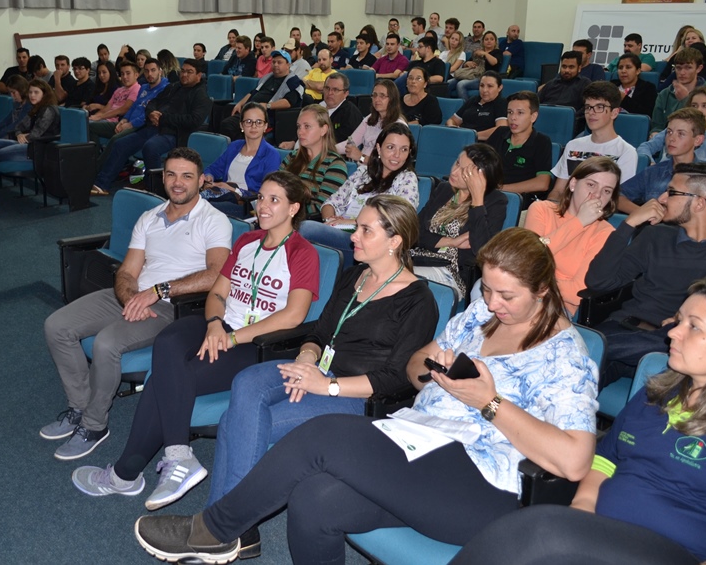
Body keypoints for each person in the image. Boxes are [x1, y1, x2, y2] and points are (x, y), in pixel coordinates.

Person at [133, 227, 599, 565]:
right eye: (488, 289)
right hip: (421, 440)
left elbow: (575, 461)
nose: (492, 302)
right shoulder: (480, 314)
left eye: (507, 296)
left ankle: (216, 529)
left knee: (323, 437)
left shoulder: (566, 358)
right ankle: (222, 531)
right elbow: (416, 365)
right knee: (315, 500)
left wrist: (488, 403)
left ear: (542, 290)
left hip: (482, 483)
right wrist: (435, 370)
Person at [454, 276, 706, 565]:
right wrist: (582, 508)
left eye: (694, 327)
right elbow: (606, 460)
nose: (673, 333)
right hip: (602, 539)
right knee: (544, 533)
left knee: (541, 531)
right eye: (678, 321)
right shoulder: (657, 393)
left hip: (678, 552)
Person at [70, 171, 319, 510]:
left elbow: (293, 315)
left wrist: (232, 338)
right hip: (222, 325)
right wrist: (215, 324)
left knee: (162, 381)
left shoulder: (303, 253)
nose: (263, 205)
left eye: (274, 200)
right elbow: (217, 293)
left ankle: (126, 474)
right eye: (261, 197)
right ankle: (178, 456)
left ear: (293, 208)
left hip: (257, 343)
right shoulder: (247, 241)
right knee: (169, 339)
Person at [206, 195, 439, 508]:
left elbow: (396, 378)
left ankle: (225, 518)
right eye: (356, 228)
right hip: (319, 370)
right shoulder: (354, 276)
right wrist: (307, 359)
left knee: (233, 423)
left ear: (394, 241)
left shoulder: (418, 300)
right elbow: (319, 332)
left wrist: (327, 386)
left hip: (357, 396)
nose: (353, 237)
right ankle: (227, 520)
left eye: (366, 231)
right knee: (246, 381)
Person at [42, 148, 232, 459]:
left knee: (106, 343)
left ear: (201, 181)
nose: (178, 182)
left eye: (187, 176)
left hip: (173, 305)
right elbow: (127, 272)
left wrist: (158, 292)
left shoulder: (214, 221)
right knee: (57, 326)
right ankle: (79, 407)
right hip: (134, 296)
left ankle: (94, 425)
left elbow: (216, 274)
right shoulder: (150, 218)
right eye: (171, 174)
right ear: (163, 178)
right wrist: (131, 299)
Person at [585, 162, 706, 387]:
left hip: (678, 343)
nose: (662, 198)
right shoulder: (655, 235)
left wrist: (683, 320)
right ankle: (591, 347)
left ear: (699, 203)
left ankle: (587, 345)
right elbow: (598, 282)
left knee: (593, 349)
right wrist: (629, 223)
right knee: (568, 385)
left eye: (672, 192)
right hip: (626, 329)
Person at [299, 124, 419, 266]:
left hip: (368, 240)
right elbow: (331, 202)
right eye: (390, 147)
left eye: (404, 149)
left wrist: (352, 223)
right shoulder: (363, 173)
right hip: (340, 230)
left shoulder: (407, 179)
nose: (397, 155)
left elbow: (398, 219)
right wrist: (330, 220)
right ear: (379, 148)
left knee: (305, 229)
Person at [94, 59, 212, 191]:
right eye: (183, 71)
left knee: (151, 147)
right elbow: (153, 102)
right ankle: (101, 185)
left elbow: (194, 120)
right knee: (120, 144)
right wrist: (151, 113)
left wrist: (163, 118)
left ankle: (154, 189)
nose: (184, 74)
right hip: (154, 127)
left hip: (176, 134)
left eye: (189, 72)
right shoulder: (174, 87)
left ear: (198, 75)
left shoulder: (201, 96)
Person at [524, 157, 619, 315]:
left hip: (557, 305)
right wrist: (579, 222)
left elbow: (577, 293)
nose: (597, 195)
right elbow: (528, 258)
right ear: (573, 184)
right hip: (520, 292)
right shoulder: (541, 209)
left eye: (607, 191)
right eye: (591, 184)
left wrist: (531, 279)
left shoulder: (606, 233)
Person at [411, 143, 507, 296]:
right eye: (457, 163)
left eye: (464, 171)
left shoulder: (495, 202)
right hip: (419, 259)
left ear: (481, 177)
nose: (454, 172)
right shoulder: (444, 189)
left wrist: (477, 200)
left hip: (453, 273)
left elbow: (481, 251)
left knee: (399, 279)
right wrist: (451, 242)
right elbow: (414, 232)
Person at [0, 78, 60, 211]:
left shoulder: (48, 110)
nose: (32, 95)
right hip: (26, 144)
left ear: (45, 94)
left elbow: (36, 134)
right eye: (30, 92)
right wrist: (20, 134)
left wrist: (26, 135)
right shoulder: (35, 108)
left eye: (36, 92)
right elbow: (19, 126)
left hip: (37, 150)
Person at [547, 82, 638, 199]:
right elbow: (559, 191)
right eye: (588, 107)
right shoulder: (573, 145)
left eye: (599, 107)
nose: (591, 112)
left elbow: (617, 199)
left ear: (614, 113)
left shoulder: (625, 152)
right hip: (568, 207)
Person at [201, 104, 282, 217]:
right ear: (241, 125)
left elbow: (268, 192)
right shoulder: (234, 146)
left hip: (247, 205)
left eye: (259, 122)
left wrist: (234, 190)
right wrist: (209, 177)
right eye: (248, 122)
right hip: (224, 196)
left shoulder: (271, 155)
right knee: (191, 200)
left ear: (265, 126)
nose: (253, 126)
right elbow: (213, 169)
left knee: (203, 207)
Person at [619, 108, 706, 213]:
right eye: (669, 132)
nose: (671, 138)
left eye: (681, 134)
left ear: (698, 140)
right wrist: (644, 212)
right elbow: (618, 196)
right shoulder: (654, 172)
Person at [485, 91, 553, 206]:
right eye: (510, 112)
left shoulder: (541, 142)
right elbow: (479, 162)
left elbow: (543, 183)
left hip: (518, 202)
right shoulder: (500, 133)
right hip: (488, 196)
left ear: (533, 117)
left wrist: (500, 189)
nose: (513, 118)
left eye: (520, 113)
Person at [279, 106, 348, 219]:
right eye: (299, 126)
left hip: (305, 222)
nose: (300, 132)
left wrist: (283, 210)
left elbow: (321, 207)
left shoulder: (335, 165)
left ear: (323, 130)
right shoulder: (292, 157)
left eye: (307, 126)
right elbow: (276, 189)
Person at [343, 80, 409, 166]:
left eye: (382, 96)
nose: (377, 99)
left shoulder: (398, 126)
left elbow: (389, 162)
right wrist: (329, 149)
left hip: (380, 172)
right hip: (362, 169)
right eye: (374, 95)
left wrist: (361, 157)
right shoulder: (371, 118)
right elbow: (350, 143)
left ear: (392, 99)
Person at [651, 46, 706, 135]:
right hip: (668, 137)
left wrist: (685, 100)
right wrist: (655, 133)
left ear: (699, 68)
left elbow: (705, 125)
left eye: (688, 68)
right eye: (678, 68)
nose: (682, 72)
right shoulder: (665, 94)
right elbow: (657, 125)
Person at [448, 70, 507, 141]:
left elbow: (501, 129)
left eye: (490, 86)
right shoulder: (473, 100)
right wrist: (451, 127)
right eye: (482, 85)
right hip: (461, 139)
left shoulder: (501, 103)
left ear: (500, 88)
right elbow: (452, 120)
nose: (484, 90)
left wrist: (471, 136)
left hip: (481, 143)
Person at [538, 51, 591, 115]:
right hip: (544, 116)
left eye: (571, 67)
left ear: (579, 68)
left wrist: (571, 118)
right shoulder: (551, 84)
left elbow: (587, 108)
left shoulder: (585, 84)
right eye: (564, 66)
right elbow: (535, 103)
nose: (567, 70)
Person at [456, 31, 502, 100]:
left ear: (495, 42)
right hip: (471, 74)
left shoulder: (497, 52)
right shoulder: (478, 52)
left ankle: (466, 105)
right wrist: (467, 63)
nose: (489, 41)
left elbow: (494, 62)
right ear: (483, 42)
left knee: (461, 84)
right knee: (449, 82)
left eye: (491, 39)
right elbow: (466, 63)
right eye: (486, 39)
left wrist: (485, 54)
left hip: (484, 79)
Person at [611, 52, 658, 117]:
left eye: (628, 67)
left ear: (638, 71)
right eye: (620, 67)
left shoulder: (648, 88)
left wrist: (623, 98)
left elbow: (647, 113)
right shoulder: (611, 86)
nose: (623, 71)